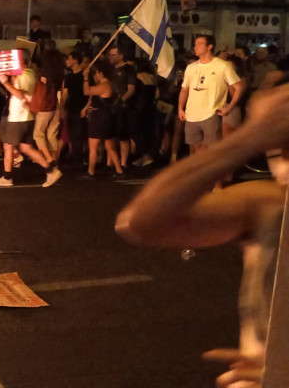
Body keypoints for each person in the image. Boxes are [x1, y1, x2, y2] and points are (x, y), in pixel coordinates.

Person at [115, 82, 289, 388]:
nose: (284, 170)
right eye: (280, 152)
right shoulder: (269, 205)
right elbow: (142, 223)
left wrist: (280, 371)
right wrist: (250, 137)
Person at [0, 51, 62, 188]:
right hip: (24, 116)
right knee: (25, 147)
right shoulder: (26, 74)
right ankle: (50, 170)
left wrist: (6, 83)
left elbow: (21, 95)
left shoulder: (25, 75)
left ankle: (7, 177)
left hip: (19, 117)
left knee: (9, 146)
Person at [178, 35, 243, 155]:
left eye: (199, 44)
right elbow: (184, 90)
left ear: (209, 47)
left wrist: (229, 108)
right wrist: (180, 108)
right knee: (195, 149)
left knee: (212, 150)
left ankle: (213, 172)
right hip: (191, 115)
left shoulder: (223, 66)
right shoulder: (191, 67)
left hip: (211, 113)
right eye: (195, 44)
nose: (195, 47)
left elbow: (238, 87)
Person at [80, 60, 125, 179]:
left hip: (99, 118)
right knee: (110, 146)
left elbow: (86, 91)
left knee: (93, 147)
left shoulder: (104, 86)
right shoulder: (112, 85)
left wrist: (85, 77)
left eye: (96, 73)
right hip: (107, 117)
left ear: (101, 73)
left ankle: (90, 172)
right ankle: (119, 171)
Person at [108, 46, 137, 171]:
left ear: (121, 56)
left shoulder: (128, 70)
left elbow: (131, 90)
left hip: (123, 108)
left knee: (123, 137)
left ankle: (124, 162)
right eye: (109, 55)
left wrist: (120, 101)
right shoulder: (110, 70)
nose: (110, 57)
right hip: (110, 106)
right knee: (111, 136)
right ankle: (111, 162)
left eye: (113, 55)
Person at [62, 51, 87, 163]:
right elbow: (65, 94)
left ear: (75, 60)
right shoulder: (69, 77)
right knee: (72, 135)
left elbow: (90, 93)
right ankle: (75, 159)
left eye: (69, 59)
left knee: (79, 136)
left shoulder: (84, 75)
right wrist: (62, 107)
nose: (67, 61)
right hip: (71, 108)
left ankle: (79, 160)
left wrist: (86, 107)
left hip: (81, 109)